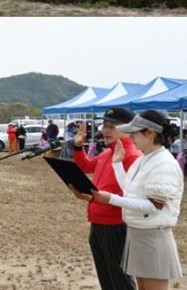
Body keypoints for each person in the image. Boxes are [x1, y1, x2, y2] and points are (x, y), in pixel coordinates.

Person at [90, 111, 184, 289]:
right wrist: (118, 164)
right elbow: (130, 190)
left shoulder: (163, 163)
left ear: (150, 133)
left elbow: (153, 207)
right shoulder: (146, 159)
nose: (131, 136)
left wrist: (111, 199)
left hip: (153, 236)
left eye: (135, 132)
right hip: (139, 233)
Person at [68, 107, 141, 290]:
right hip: (98, 222)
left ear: (128, 130)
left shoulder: (133, 156)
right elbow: (86, 166)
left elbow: (133, 198)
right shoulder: (108, 152)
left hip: (116, 225)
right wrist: (78, 147)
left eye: (112, 126)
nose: (105, 130)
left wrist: (94, 199)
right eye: (104, 125)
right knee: (106, 279)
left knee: (120, 280)